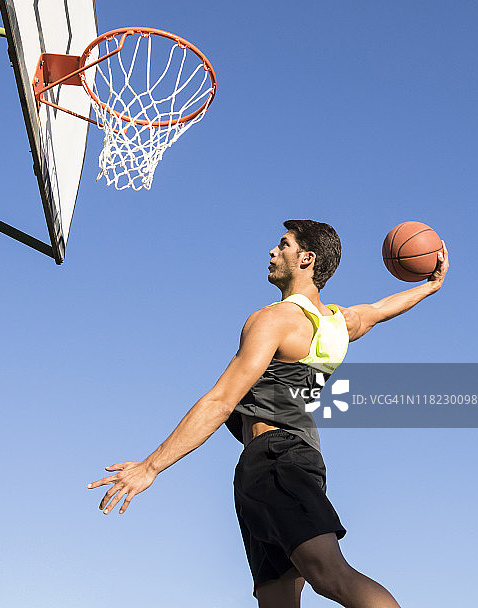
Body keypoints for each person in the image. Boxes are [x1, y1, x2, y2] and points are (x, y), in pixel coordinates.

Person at [88, 219, 449, 607]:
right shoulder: (338, 323)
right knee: (276, 599)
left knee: (329, 574)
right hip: (289, 460)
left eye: (284, 245)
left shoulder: (274, 319)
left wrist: (151, 466)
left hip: (276, 459)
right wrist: (429, 287)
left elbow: (220, 401)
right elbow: (378, 310)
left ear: (306, 258)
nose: (273, 252)